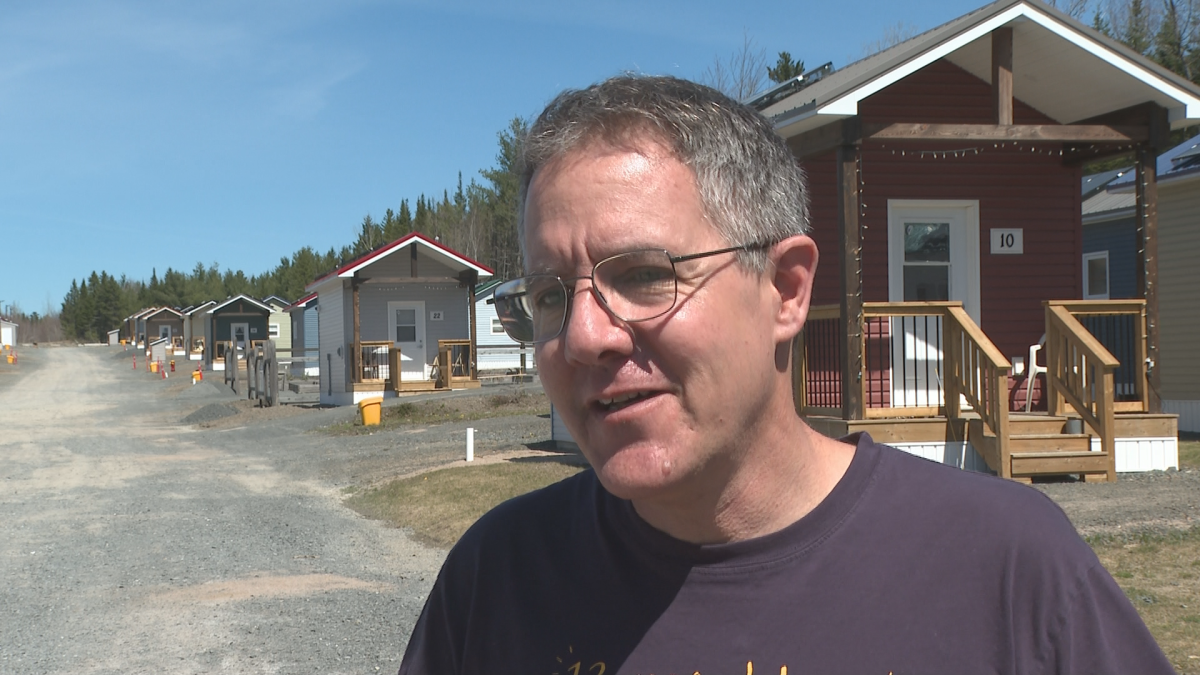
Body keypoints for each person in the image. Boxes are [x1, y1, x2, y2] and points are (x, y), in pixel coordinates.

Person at [398, 75, 1172, 675]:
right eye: (548, 295)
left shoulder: (1007, 566)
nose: (582, 335)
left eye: (641, 273)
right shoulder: (498, 579)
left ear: (787, 289)